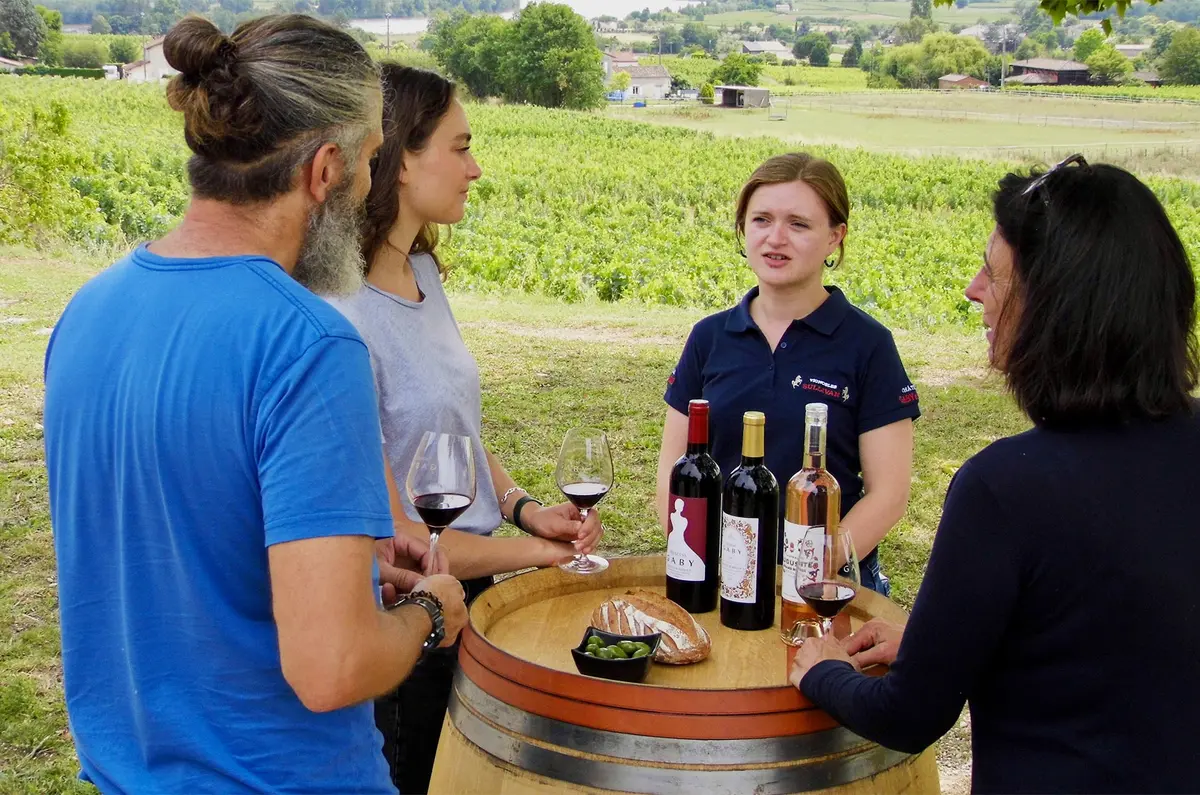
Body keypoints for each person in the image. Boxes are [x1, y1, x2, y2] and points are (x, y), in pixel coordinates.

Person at [42, 16, 466, 794]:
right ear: (326, 168)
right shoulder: (308, 345)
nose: (372, 186)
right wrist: (433, 612)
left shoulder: (87, 310)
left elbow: (175, 540)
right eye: (373, 161)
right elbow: (332, 667)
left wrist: (349, 565)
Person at [791, 156, 1200, 793]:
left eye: (995, 273)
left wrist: (820, 668)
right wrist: (937, 642)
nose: (973, 289)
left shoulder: (1006, 487)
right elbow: (1117, 639)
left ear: (1057, 308)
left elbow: (908, 713)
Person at [324, 64, 603, 794]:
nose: (476, 168)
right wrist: (540, 552)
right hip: (416, 616)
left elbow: (455, 432)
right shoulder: (344, 315)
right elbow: (399, 532)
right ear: (400, 156)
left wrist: (522, 505)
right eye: (461, 146)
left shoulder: (423, 272)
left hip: (471, 596)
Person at [656, 152, 920, 594]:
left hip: (824, 587)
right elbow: (672, 469)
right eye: (761, 220)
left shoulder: (868, 345)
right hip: (723, 576)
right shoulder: (708, 337)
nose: (775, 238)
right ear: (743, 229)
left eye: (798, 224)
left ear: (836, 237)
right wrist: (702, 556)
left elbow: (888, 493)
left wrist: (810, 570)